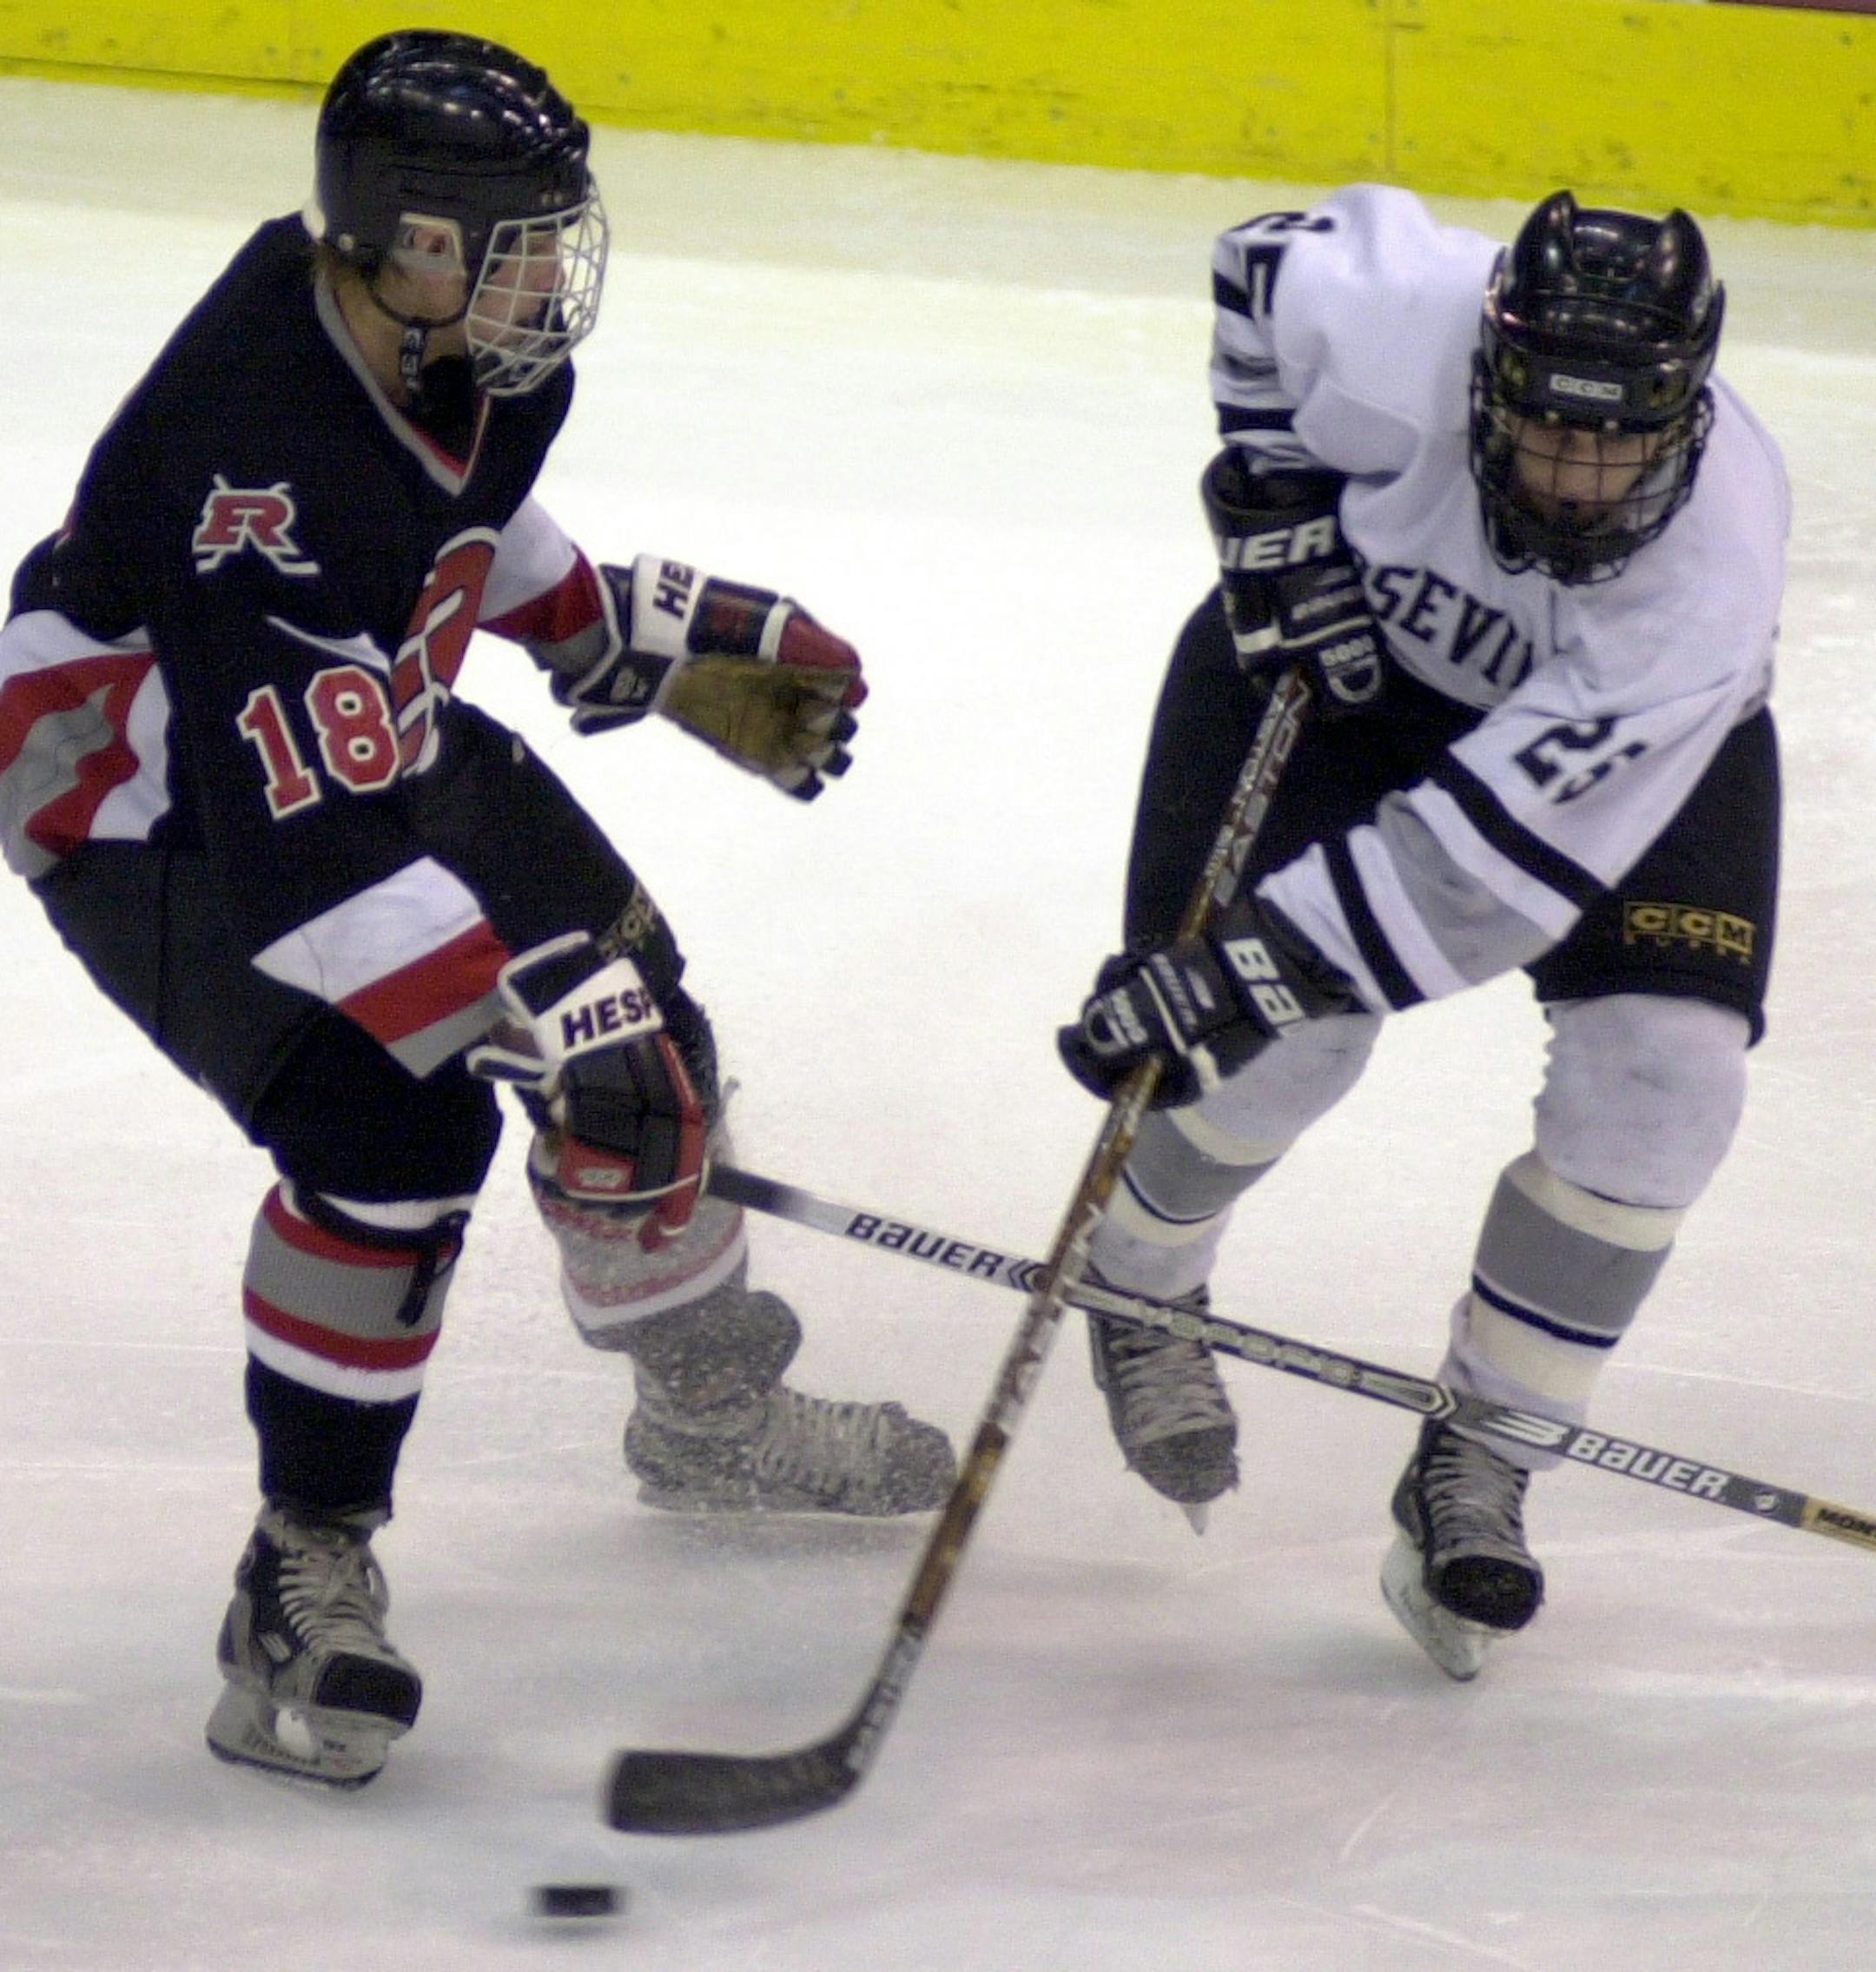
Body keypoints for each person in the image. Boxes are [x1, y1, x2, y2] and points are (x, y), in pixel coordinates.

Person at [0, 28, 956, 1788]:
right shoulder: (242, 469)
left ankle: (706, 1409)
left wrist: (615, 632)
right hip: (156, 809)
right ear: (405, 238)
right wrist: (542, 1036)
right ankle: (305, 1566)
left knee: (648, 1022)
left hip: (344, 728)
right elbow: (312, 872)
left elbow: (445, 528)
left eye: (549, 234)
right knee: (400, 1132)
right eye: (507, 239)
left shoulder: (457, 352)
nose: (547, 275)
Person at [1058, 185, 1785, 1678]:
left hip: (1605, 763)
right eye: (1546, 431)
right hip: (1336, 676)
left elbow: (1476, 878)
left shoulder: (1704, 581)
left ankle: (1489, 1453)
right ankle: (1139, 1278)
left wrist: (1252, 957)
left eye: (1622, 442)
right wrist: (1268, 501)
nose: (1580, 480)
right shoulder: (1403, 317)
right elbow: (1258, 265)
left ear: (1687, 416)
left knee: (1667, 1078)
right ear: (1487, 375)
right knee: (1275, 1057)